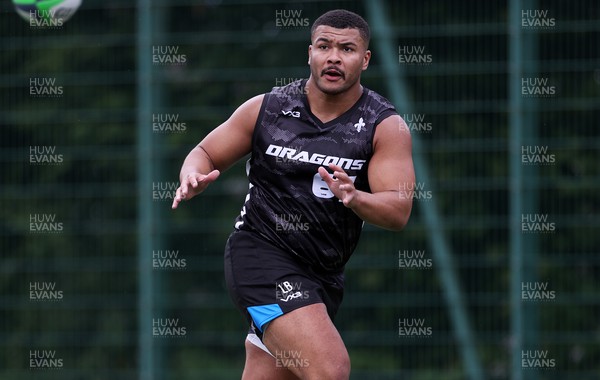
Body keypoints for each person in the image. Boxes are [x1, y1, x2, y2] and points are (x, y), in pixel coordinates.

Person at [172, 9, 415, 380]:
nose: (333, 56)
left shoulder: (384, 125)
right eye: (324, 46)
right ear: (310, 53)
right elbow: (204, 152)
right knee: (330, 369)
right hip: (259, 256)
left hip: (322, 276)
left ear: (365, 60)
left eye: (347, 49)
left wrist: (355, 197)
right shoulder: (267, 109)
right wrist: (192, 174)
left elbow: (398, 209)